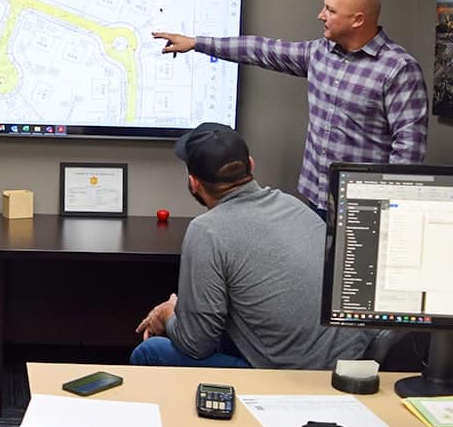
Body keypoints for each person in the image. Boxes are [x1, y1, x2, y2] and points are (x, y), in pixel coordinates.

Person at [154, 0, 428, 216]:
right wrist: (197, 43)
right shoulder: (321, 53)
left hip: (363, 205)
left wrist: (390, 209)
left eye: (330, 11)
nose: (320, 15)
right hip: (316, 197)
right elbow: (262, 50)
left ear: (358, 20)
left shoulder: (398, 69)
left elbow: (409, 151)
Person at [130, 122, 375, 369]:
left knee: (150, 351)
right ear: (251, 164)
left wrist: (167, 315)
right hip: (353, 364)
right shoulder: (293, 205)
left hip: (298, 378)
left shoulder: (206, 230)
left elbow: (196, 344)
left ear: (194, 183)